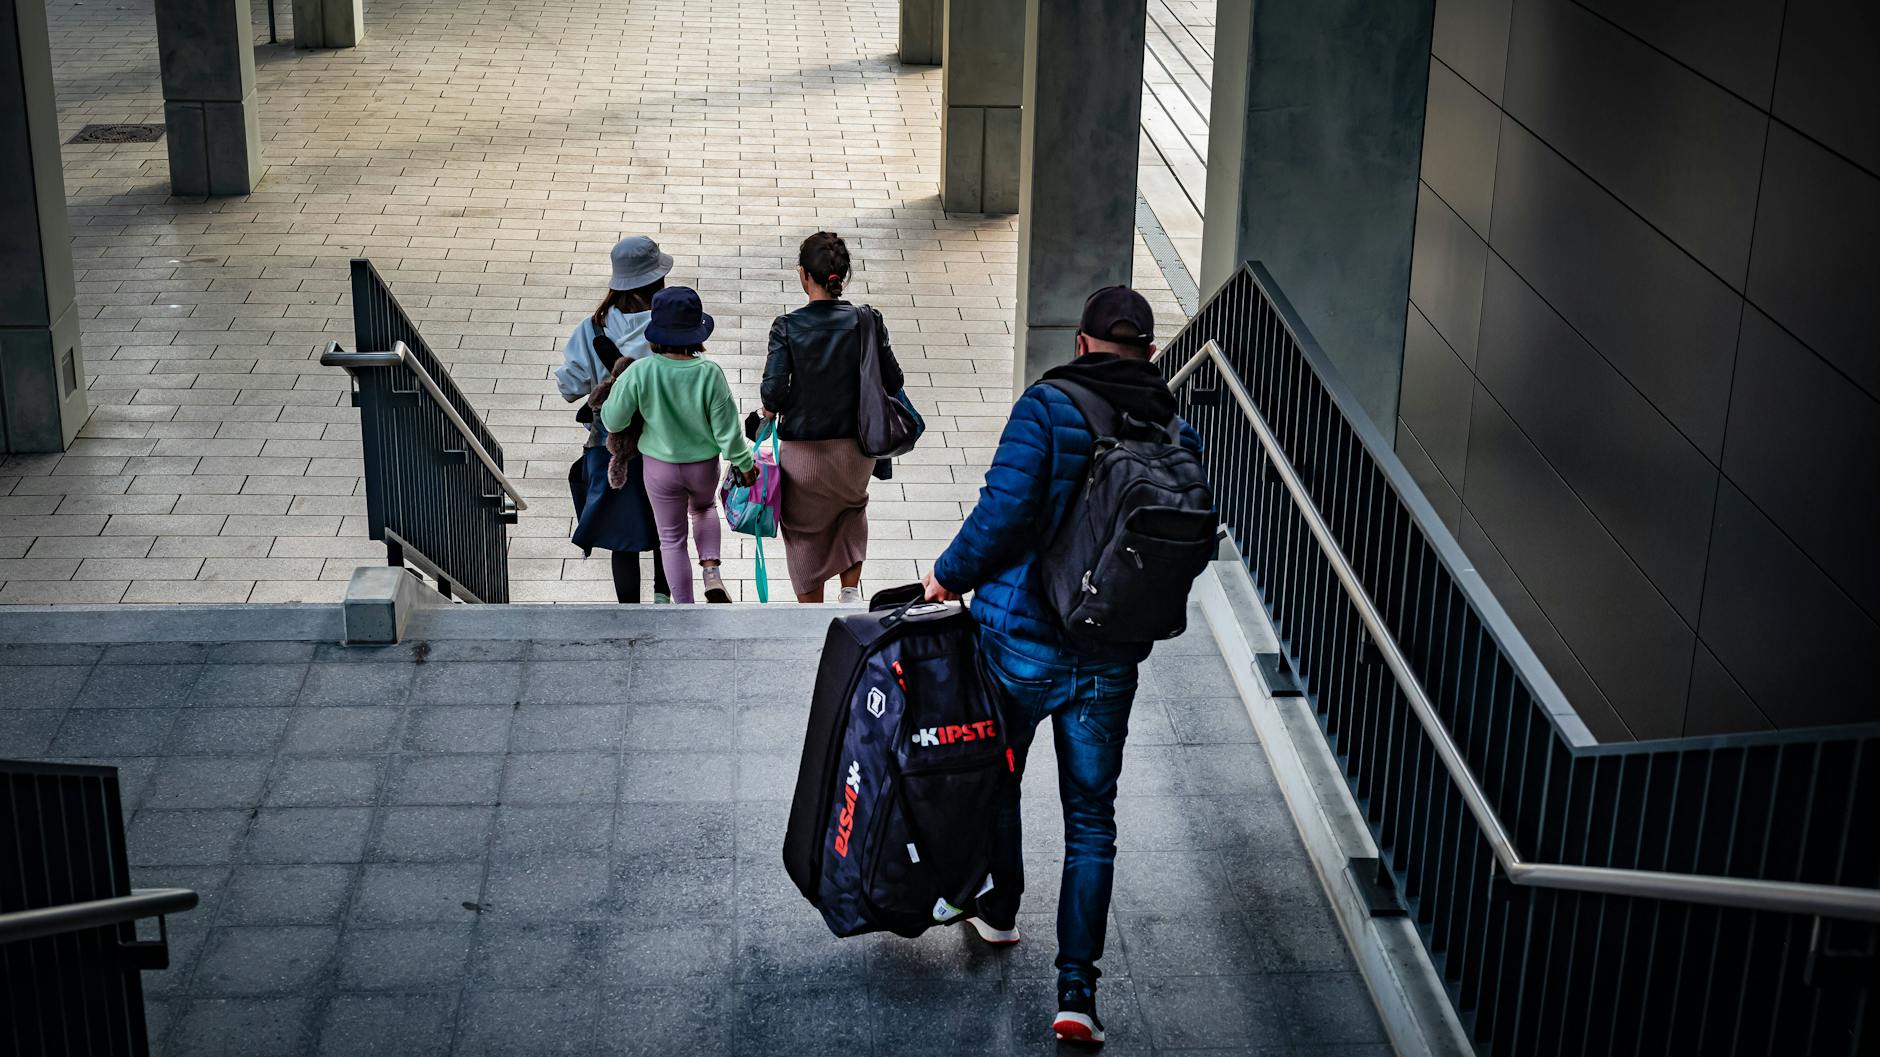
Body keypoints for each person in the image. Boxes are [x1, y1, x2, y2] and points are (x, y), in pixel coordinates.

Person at [921, 286, 1199, 1048]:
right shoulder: (1176, 428)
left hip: (1020, 643)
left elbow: (1002, 514)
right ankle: (1077, 991)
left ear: (1081, 343)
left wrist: (947, 573)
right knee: (1091, 820)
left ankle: (1002, 907)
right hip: (1107, 653)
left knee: (998, 775)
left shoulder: (1047, 407)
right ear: (1147, 349)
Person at [760, 231, 905, 604]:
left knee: (804, 530)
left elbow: (773, 394)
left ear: (804, 275)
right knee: (850, 510)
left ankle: (812, 613)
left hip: (804, 456)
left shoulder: (787, 326)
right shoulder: (867, 319)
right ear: (841, 276)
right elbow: (894, 380)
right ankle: (850, 591)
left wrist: (771, 411)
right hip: (858, 450)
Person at [599, 286, 755, 604]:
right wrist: (744, 462)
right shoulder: (710, 373)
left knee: (671, 539)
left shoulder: (641, 372)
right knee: (704, 508)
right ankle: (712, 572)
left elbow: (613, 421)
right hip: (703, 465)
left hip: (660, 468)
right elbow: (727, 429)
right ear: (697, 333)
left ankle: (684, 606)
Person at [556, 235, 671, 604]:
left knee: (625, 537)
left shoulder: (592, 329)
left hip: (614, 448)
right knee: (667, 531)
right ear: (657, 281)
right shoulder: (668, 328)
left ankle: (630, 612)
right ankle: (664, 601)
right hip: (665, 443)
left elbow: (569, 386)